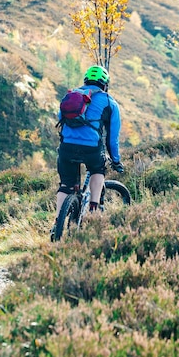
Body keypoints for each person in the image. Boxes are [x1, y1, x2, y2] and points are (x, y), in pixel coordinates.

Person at [54, 65, 124, 233]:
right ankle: (93, 210)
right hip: (92, 149)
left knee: (66, 186)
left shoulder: (71, 96)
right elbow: (112, 139)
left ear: (86, 81)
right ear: (105, 84)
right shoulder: (109, 102)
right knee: (97, 169)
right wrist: (116, 160)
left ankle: (57, 225)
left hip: (66, 148)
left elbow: (59, 118)